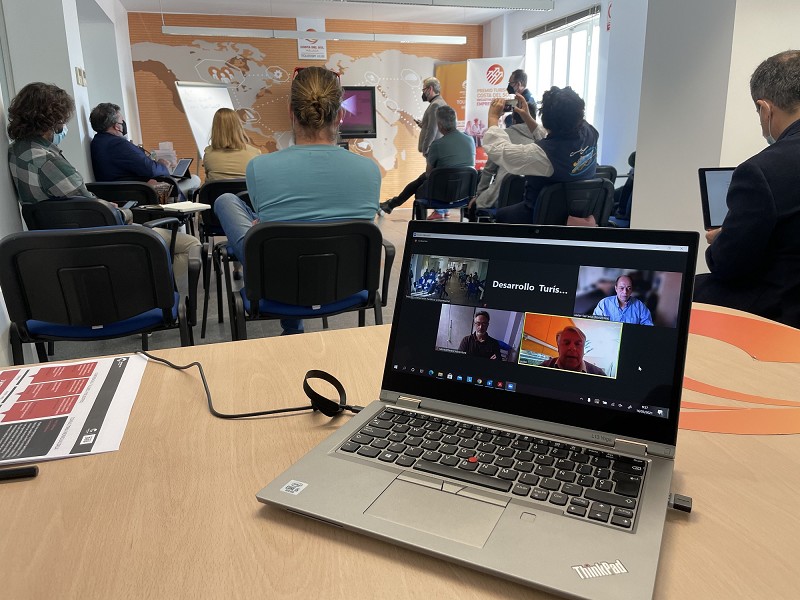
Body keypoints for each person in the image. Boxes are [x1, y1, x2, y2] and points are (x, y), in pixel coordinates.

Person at [213, 66, 380, 335]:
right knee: (286, 234)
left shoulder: (259, 167)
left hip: (276, 284)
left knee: (226, 202)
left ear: (291, 112)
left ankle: (293, 327)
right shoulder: (370, 170)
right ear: (340, 115)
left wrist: (264, 224)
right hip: (346, 286)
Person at [7, 83, 200, 292]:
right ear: (53, 122)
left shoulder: (16, 151)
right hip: (98, 239)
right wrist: (120, 210)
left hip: (57, 244)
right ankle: (150, 295)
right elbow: (90, 209)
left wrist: (101, 204)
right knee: (190, 246)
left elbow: (78, 201)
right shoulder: (47, 161)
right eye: (62, 120)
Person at [694, 50, 800, 328]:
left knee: (680, 290)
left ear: (765, 109)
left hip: (782, 312)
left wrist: (723, 238)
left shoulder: (761, 171)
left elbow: (727, 265)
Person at [483, 86, 599, 224]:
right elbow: (558, 138)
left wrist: (493, 118)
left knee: (501, 215)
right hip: (574, 213)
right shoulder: (590, 132)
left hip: (541, 218)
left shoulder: (544, 155)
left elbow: (499, 150)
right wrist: (527, 117)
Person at [89, 102, 200, 198]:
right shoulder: (117, 144)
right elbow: (150, 169)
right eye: (122, 122)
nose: (124, 125)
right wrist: (163, 165)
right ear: (116, 126)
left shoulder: (97, 142)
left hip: (123, 192)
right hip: (140, 194)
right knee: (194, 180)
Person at [380, 76, 447, 215]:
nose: (422, 93)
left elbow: (433, 130)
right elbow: (434, 126)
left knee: (421, 184)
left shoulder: (435, 105)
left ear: (430, 89)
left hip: (434, 152)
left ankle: (392, 204)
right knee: (422, 181)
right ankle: (391, 204)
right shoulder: (441, 103)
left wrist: (426, 149)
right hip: (439, 152)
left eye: (423, 90)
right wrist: (423, 124)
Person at [468, 102, 539, 219]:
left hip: (501, 198)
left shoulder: (502, 137)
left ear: (513, 120)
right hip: (532, 201)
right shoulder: (542, 139)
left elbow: (488, 171)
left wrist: (480, 195)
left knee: (473, 207)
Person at [412, 105, 475, 220]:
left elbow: (429, 174)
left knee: (419, 189)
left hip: (439, 195)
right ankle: (392, 203)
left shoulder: (437, 145)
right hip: (464, 195)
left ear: (440, 125)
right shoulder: (470, 140)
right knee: (420, 181)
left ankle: (421, 226)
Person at [202, 107, 261, 181]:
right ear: (238, 125)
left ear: (215, 128)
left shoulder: (208, 154)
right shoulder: (255, 154)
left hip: (217, 189)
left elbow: (208, 180)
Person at [540, 326, 606, 375]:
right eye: (566, 343)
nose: (572, 348)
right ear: (558, 347)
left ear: (583, 350)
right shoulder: (543, 367)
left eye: (578, 344)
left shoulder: (599, 374)